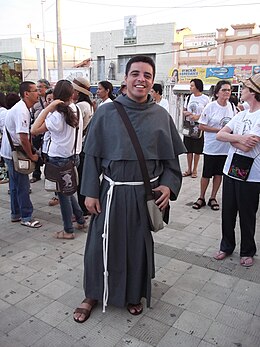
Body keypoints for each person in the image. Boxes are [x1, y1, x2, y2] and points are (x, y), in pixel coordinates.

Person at [73, 55, 185, 323]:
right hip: (109, 194)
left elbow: (172, 166)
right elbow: (92, 158)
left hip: (142, 196)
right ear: (125, 79)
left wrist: (168, 187)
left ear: (152, 80)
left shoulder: (161, 116)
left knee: (137, 247)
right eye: (135, 74)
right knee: (99, 245)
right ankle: (92, 293)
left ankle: (134, 294)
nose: (141, 79)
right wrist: (89, 192)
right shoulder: (106, 112)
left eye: (147, 75)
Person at [214, 73, 260, 267]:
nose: (242, 91)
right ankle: (227, 245)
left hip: (252, 175)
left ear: (254, 93)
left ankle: (248, 250)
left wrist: (234, 140)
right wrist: (239, 139)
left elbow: (250, 146)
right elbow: (219, 135)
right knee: (228, 212)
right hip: (230, 169)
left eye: (246, 88)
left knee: (248, 215)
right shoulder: (241, 114)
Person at [31, 79, 86, 239]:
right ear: (72, 94)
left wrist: (49, 107)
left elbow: (34, 130)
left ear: (56, 96)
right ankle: (80, 220)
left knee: (63, 196)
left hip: (59, 159)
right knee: (67, 193)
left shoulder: (57, 115)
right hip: (74, 156)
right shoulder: (75, 109)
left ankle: (68, 230)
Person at [0, 81, 41, 227]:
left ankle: (16, 213)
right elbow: (23, 136)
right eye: (35, 90)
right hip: (14, 153)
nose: (38, 93)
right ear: (26, 94)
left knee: (15, 184)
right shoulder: (22, 110)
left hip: (9, 151)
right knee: (22, 184)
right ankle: (26, 216)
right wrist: (31, 155)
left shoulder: (23, 108)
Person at [192, 80, 236, 210]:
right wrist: (220, 131)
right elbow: (201, 125)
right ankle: (201, 197)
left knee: (218, 174)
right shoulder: (210, 107)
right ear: (217, 93)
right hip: (211, 147)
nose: (227, 92)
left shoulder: (232, 107)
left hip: (225, 148)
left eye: (229, 90)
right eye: (224, 90)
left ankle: (213, 197)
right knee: (206, 174)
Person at [72, 76, 94, 217]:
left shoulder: (80, 106)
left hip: (80, 146)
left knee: (80, 181)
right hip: (85, 144)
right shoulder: (89, 105)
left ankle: (82, 209)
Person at [182, 78, 209, 178]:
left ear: (198, 86)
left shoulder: (205, 99)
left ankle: (195, 169)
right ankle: (188, 169)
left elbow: (207, 113)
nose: (190, 87)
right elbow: (184, 110)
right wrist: (187, 113)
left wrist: (198, 117)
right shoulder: (189, 97)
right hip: (189, 125)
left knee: (197, 149)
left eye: (192, 86)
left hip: (199, 126)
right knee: (188, 148)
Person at [30, 78, 51, 183]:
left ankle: (49, 175)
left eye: (40, 87)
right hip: (37, 130)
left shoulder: (50, 99)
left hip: (47, 130)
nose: (38, 89)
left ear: (46, 88)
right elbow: (32, 115)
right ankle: (36, 173)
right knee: (35, 151)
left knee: (46, 154)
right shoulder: (35, 101)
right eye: (37, 87)